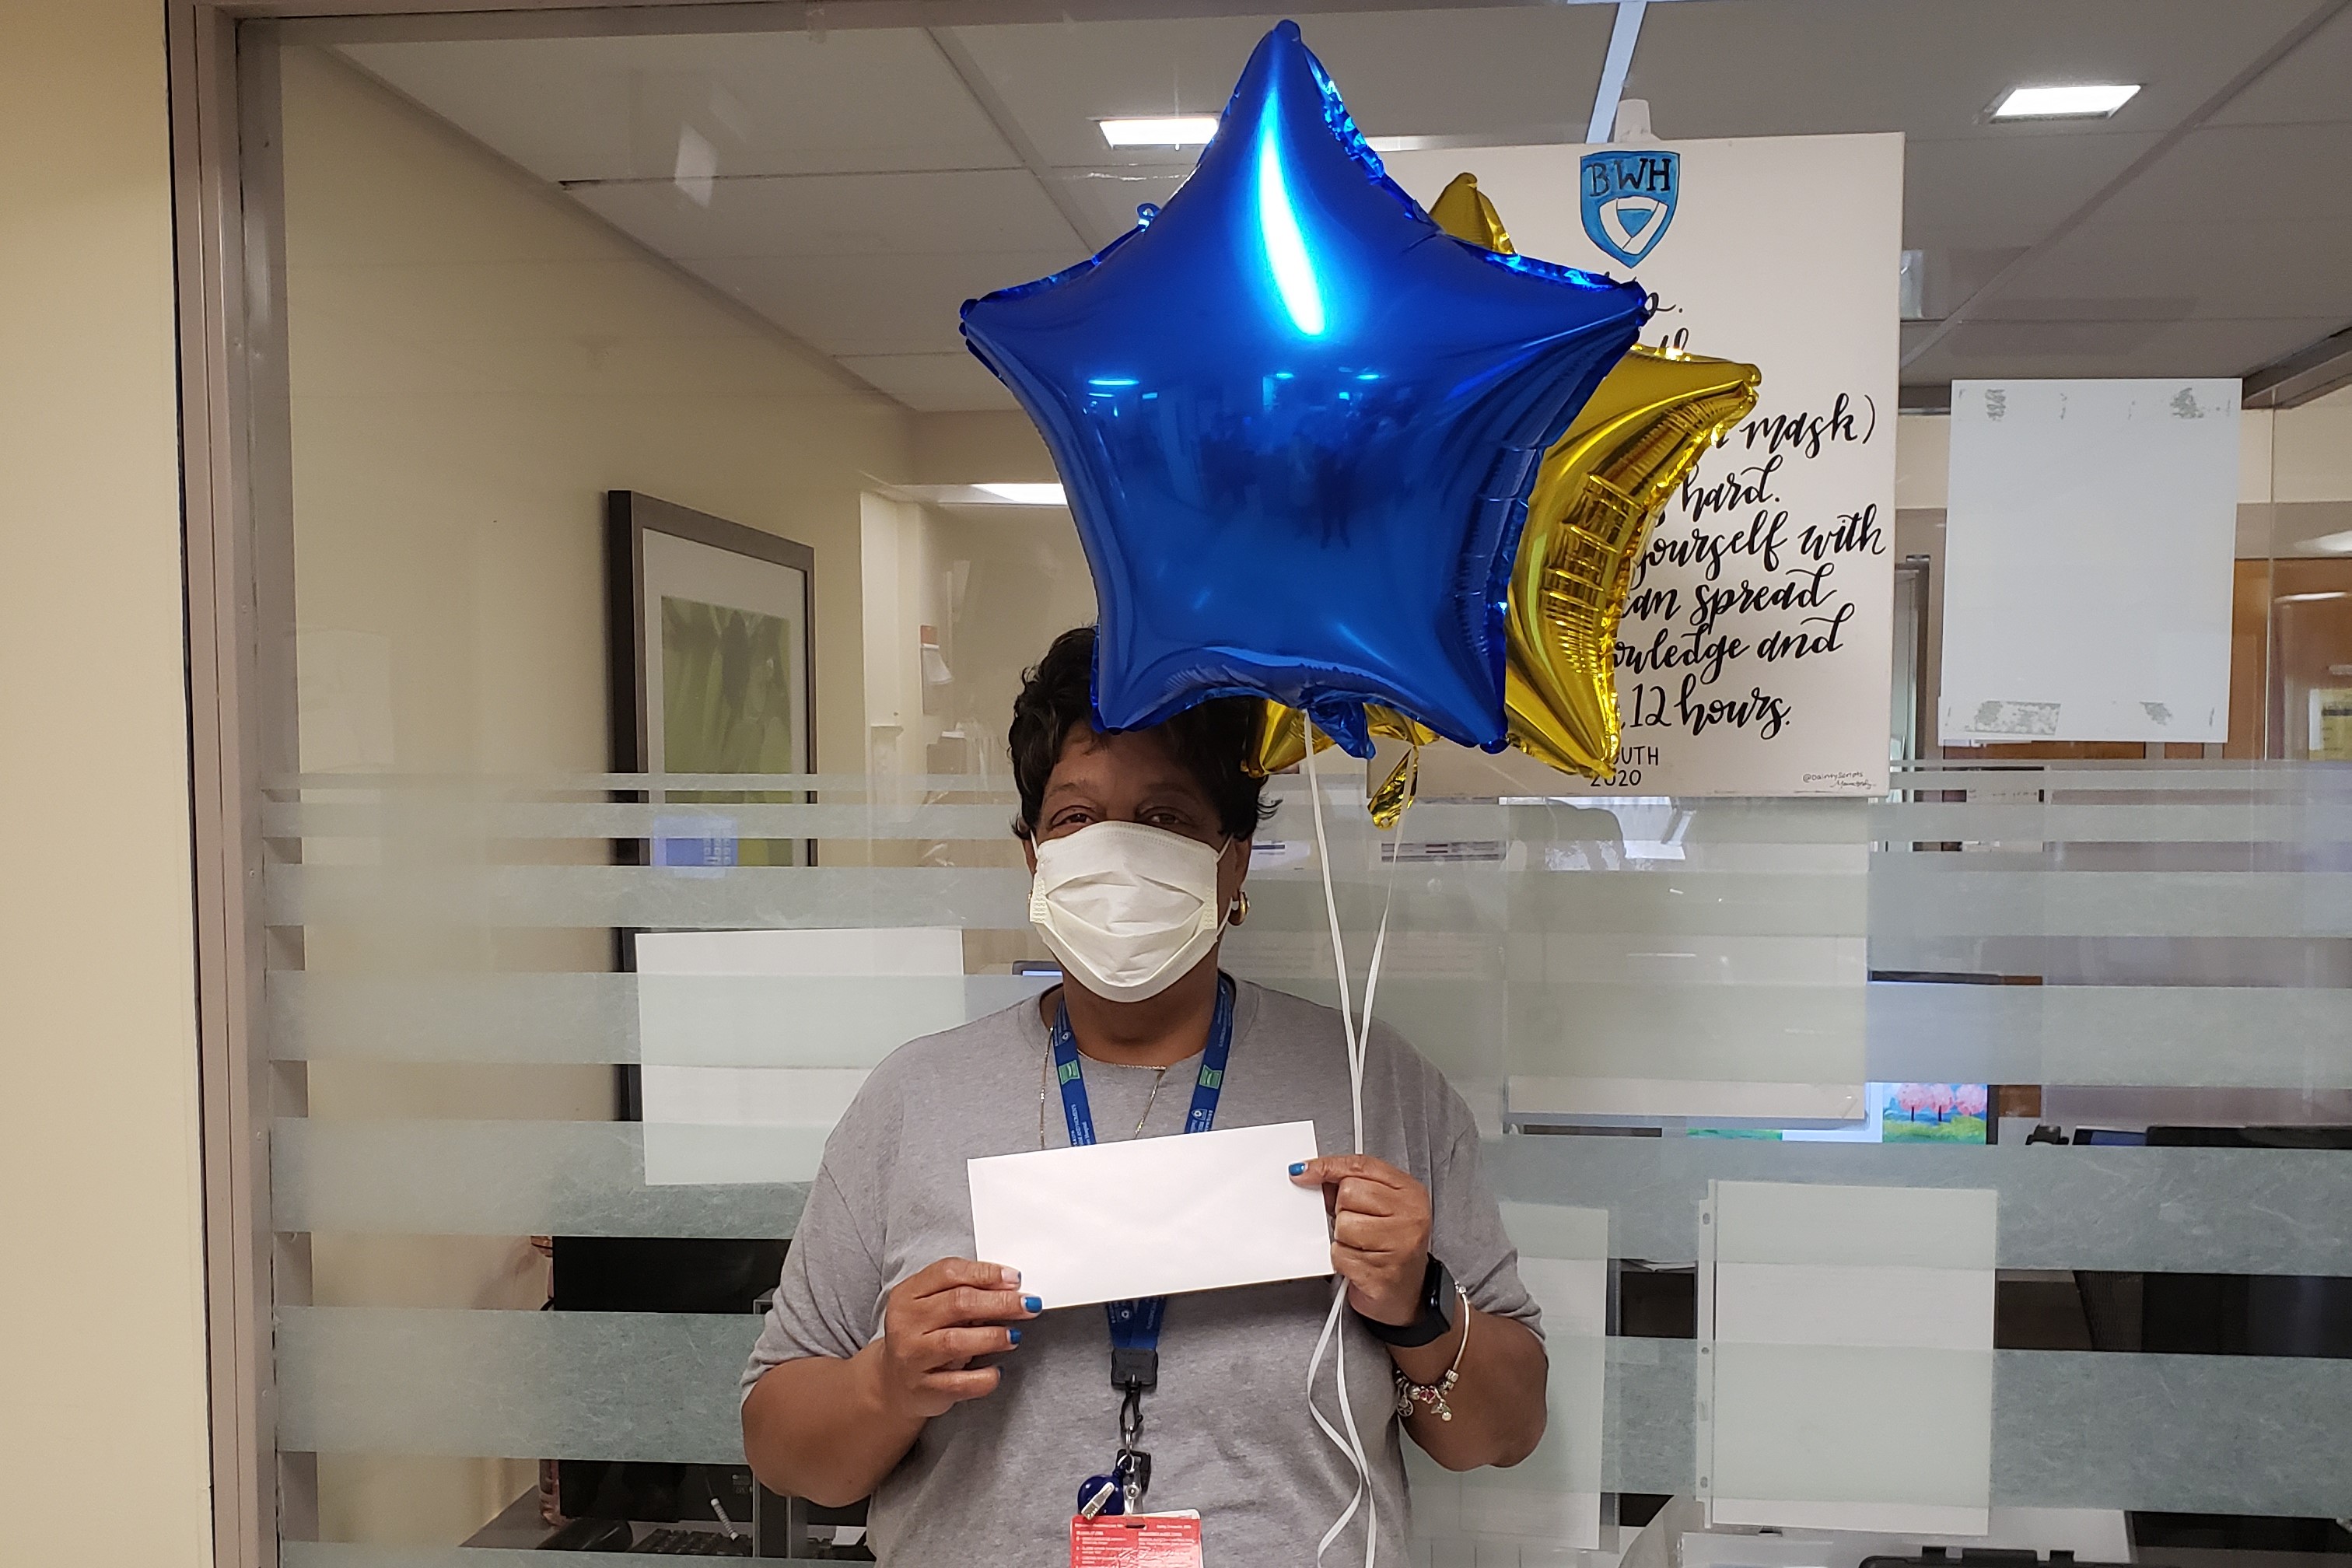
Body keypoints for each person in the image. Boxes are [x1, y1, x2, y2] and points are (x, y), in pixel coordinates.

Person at [740, 625, 1548, 1565]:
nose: (1115, 853)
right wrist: (886, 1383)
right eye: (1076, 818)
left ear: (1233, 859)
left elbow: (1504, 1431)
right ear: (1033, 856)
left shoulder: (1375, 1086)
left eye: (1164, 818)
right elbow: (782, 1449)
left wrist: (1420, 1303)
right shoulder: (914, 1103)